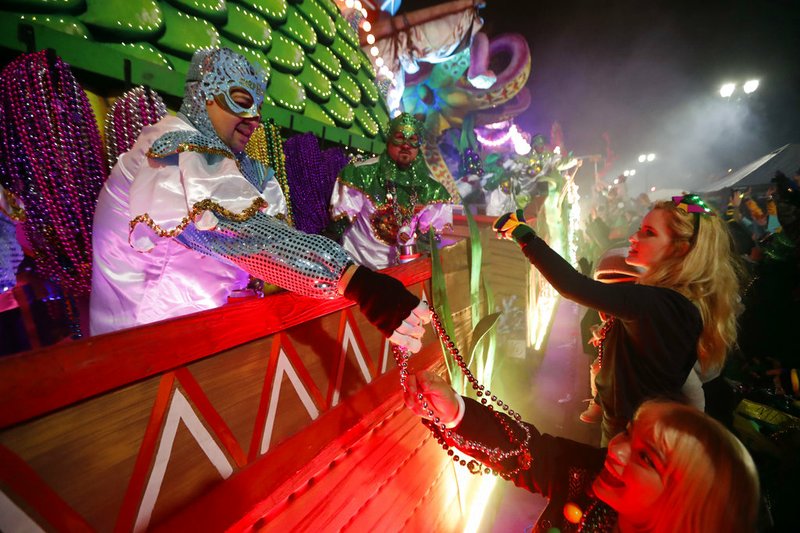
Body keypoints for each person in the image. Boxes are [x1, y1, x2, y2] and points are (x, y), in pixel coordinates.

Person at [91, 48, 428, 351]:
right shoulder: (173, 150)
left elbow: (263, 249)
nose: (254, 118)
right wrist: (355, 281)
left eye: (258, 106)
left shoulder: (239, 166)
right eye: (240, 98)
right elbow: (243, 237)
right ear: (203, 93)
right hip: (144, 349)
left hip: (200, 341)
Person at [493, 195, 742, 444]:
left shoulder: (660, 304)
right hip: (639, 435)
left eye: (649, 233)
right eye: (639, 229)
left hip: (635, 442)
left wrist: (524, 235)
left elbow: (573, 286)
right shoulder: (672, 303)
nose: (634, 238)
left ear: (679, 248)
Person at [404, 370, 760, 533]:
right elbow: (536, 455)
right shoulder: (595, 476)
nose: (617, 449)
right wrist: (456, 414)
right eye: (629, 433)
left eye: (647, 458)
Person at [327, 113, 452, 270]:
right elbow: (337, 227)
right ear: (389, 140)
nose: (406, 145)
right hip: (357, 270)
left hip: (402, 275)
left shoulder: (431, 189)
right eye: (400, 137)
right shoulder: (361, 174)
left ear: (419, 145)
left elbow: (430, 241)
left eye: (412, 140)